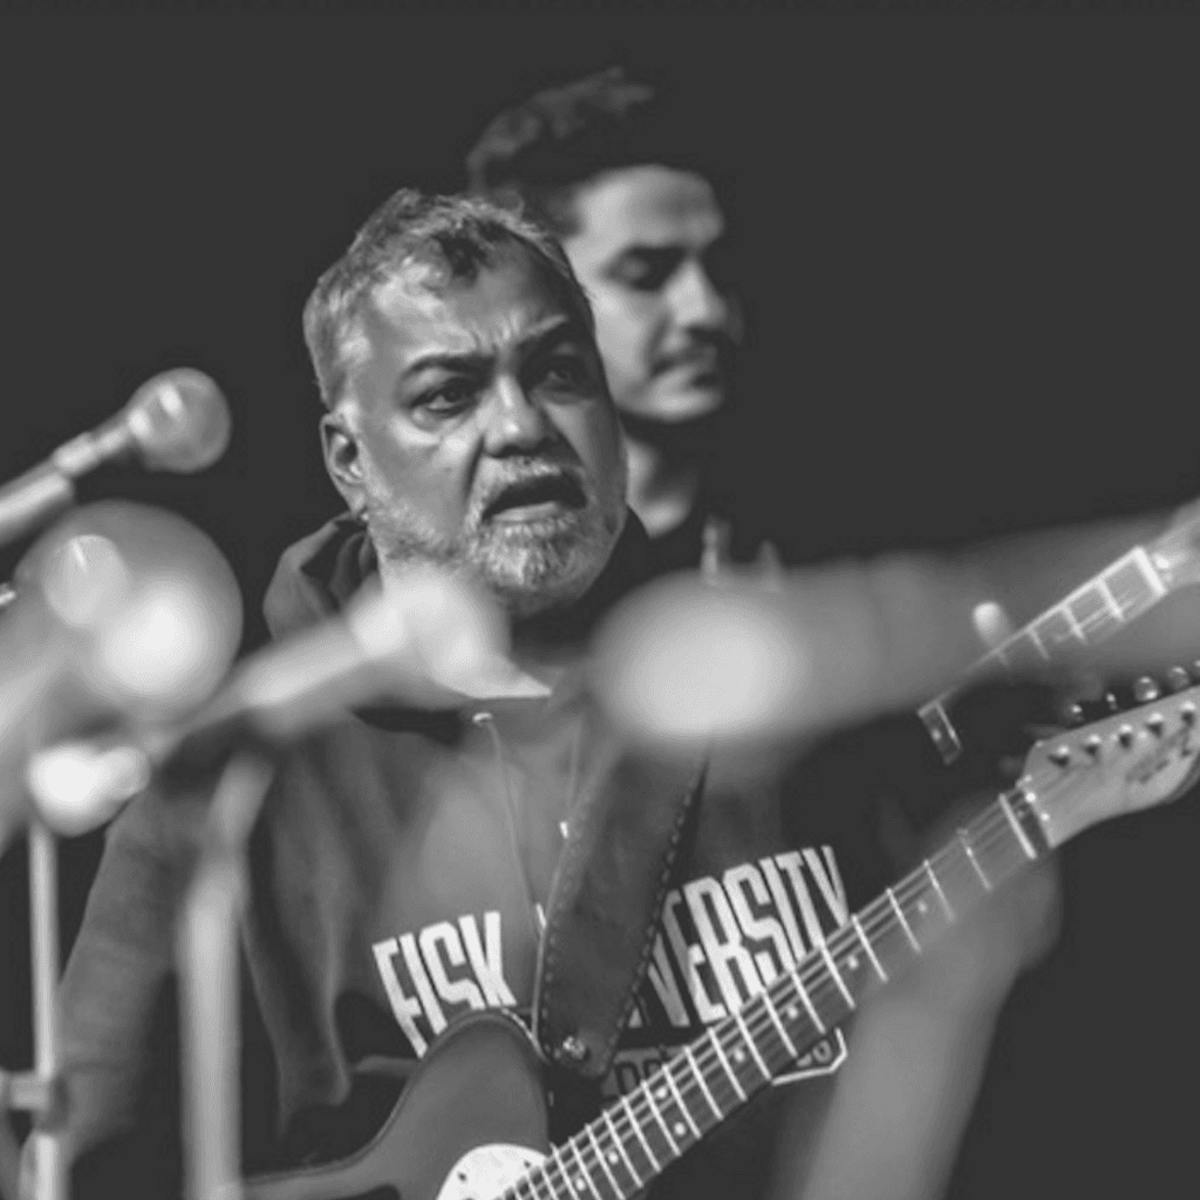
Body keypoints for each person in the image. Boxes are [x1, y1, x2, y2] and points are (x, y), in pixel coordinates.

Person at [30, 188, 1053, 1200]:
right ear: (349, 460)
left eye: (560, 372)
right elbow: (80, 1174)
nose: (521, 424)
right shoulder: (231, 786)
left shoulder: (782, 694)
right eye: (448, 395)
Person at [466, 68, 750, 574]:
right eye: (645, 276)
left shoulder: (823, 527)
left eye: (722, 268)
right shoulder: (473, 555)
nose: (707, 310)